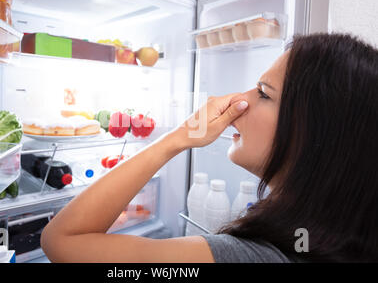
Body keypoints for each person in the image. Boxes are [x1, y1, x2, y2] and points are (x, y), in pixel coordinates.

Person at [40, 33, 378, 263]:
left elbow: (62, 241)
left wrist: (177, 139)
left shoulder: (249, 257)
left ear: (311, 132)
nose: (238, 100)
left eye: (263, 93)